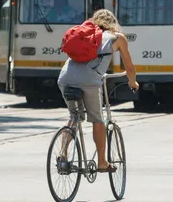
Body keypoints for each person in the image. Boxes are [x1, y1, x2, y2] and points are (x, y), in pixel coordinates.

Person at [57, 9, 139, 172]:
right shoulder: (117, 38)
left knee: (74, 117)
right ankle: (102, 162)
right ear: (113, 23)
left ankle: (62, 154)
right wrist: (133, 82)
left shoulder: (84, 35)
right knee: (97, 119)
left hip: (65, 77)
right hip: (89, 80)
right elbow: (129, 67)